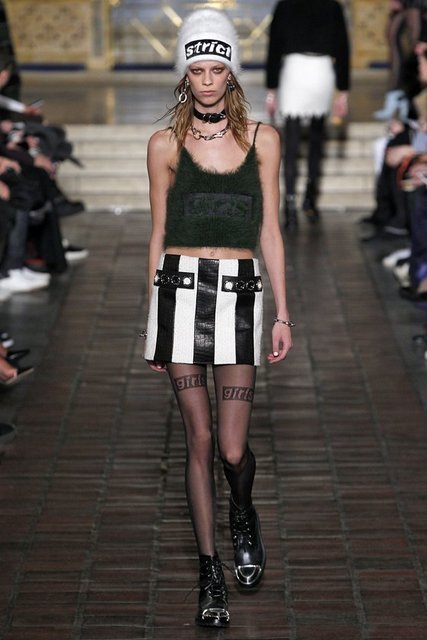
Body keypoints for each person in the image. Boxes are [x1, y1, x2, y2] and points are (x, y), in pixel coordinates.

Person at [143, 8, 293, 629]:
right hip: (179, 293)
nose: (207, 79)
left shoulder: (264, 140)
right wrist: (152, 321)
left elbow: (271, 232)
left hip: (240, 292)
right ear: (185, 75)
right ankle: (210, 573)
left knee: (232, 449)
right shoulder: (163, 145)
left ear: (231, 74)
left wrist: (284, 313)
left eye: (216, 69)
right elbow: (157, 235)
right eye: (197, 69)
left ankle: (243, 511)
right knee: (199, 440)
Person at [265, 0, 350, 228]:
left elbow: (274, 46)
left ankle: (290, 206)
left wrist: (271, 88)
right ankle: (310, 201)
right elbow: (343, 47)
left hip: (294, 71)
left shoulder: (285, 5)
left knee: (291, 144)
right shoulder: (333, 6)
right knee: (316, 140)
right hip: (321, 71)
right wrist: (343, 90)